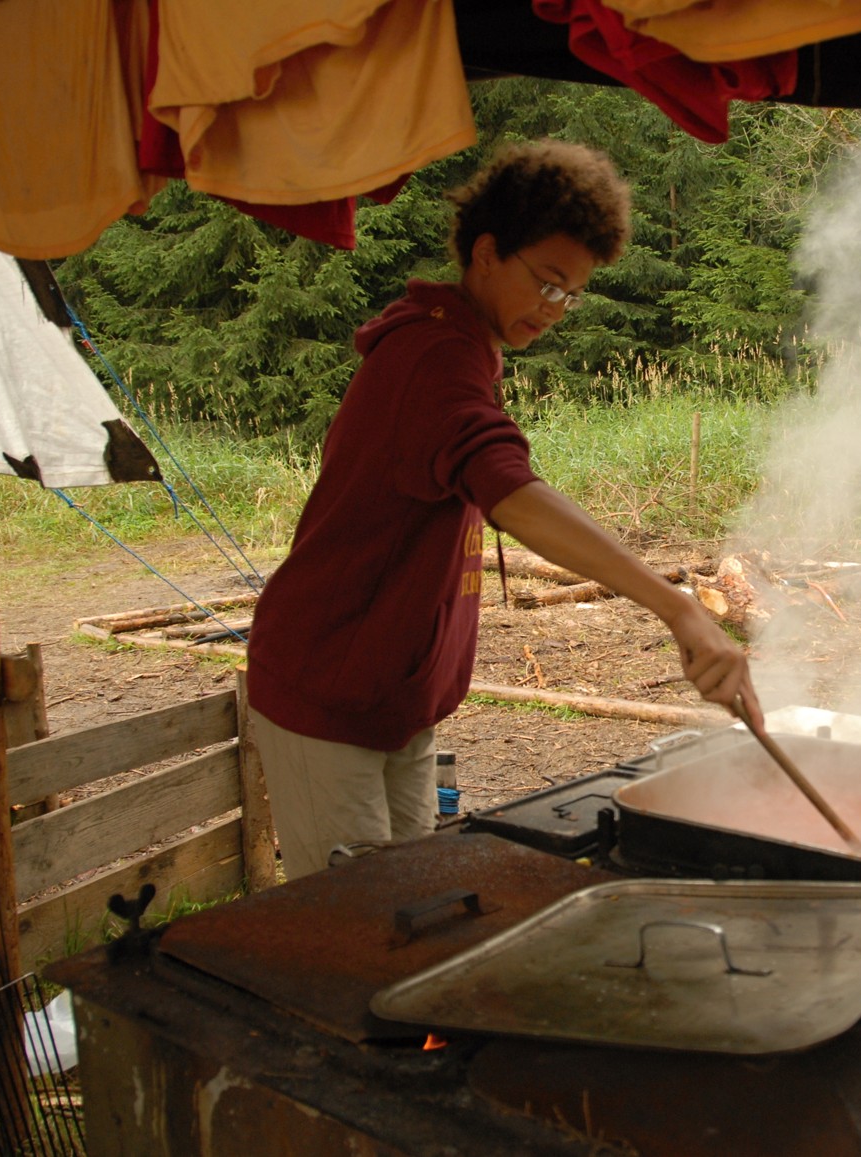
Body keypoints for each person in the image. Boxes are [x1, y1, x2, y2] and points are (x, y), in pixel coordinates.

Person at [244, 140, 759, 879]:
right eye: (548, 283)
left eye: (572, 294)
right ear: (486, 253)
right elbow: (512, 494)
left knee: (407, 903)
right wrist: (678, 608)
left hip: (394, 700)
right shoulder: (432, 359)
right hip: (327, 692)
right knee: (358, 928)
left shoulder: (460, 350)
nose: (557, 311)